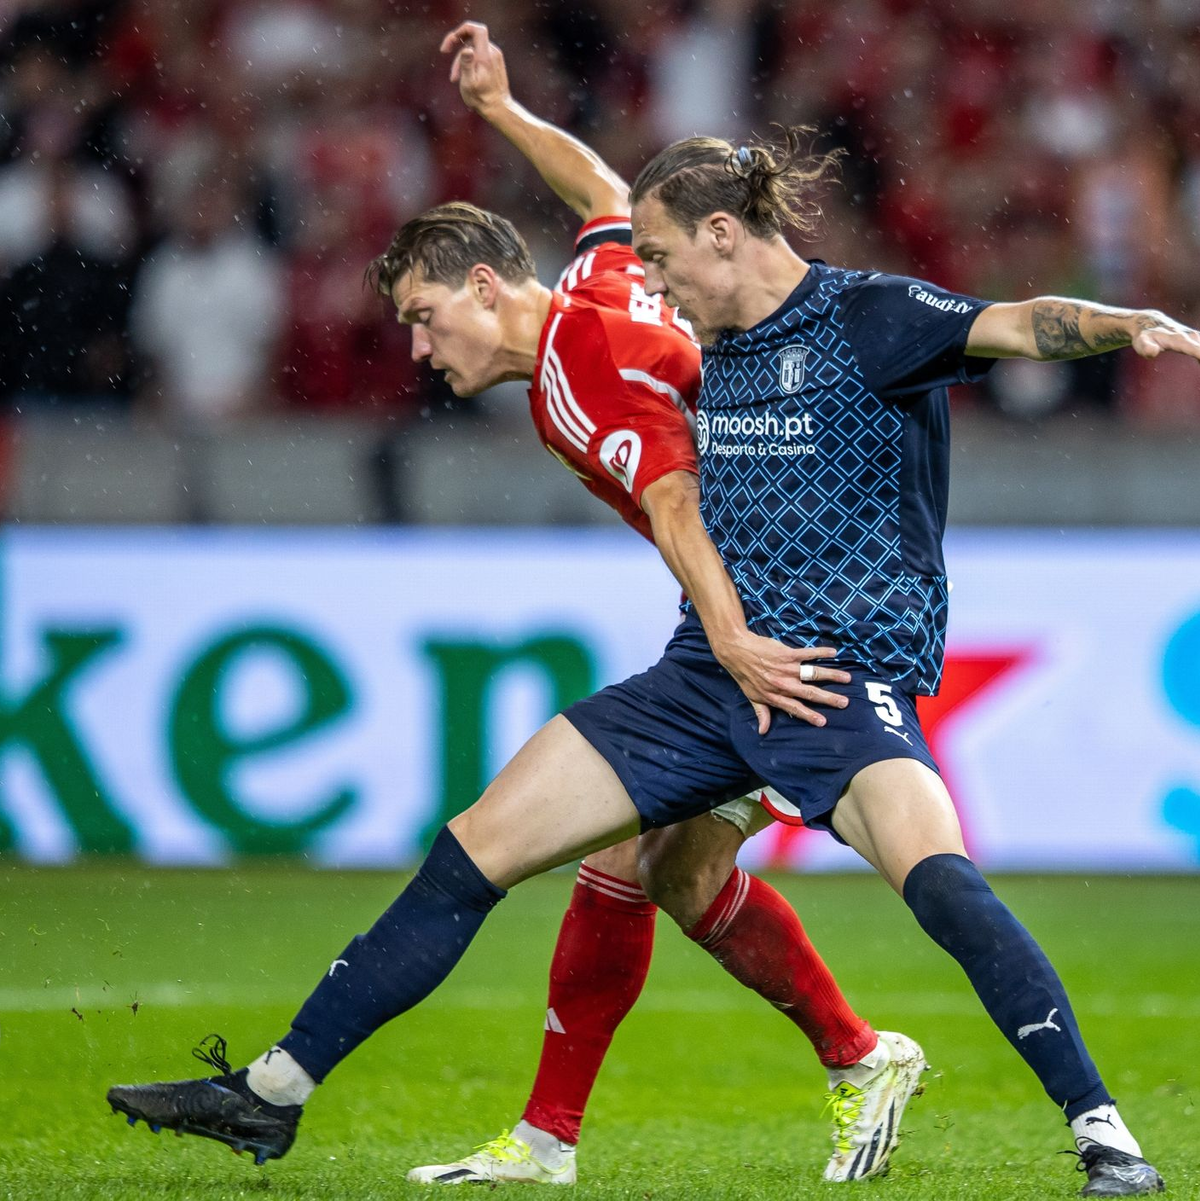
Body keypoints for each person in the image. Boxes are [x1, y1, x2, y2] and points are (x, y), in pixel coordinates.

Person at [106, 53, 1198, 1201]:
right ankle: (283, 1095)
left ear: (720, 235)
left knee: (933, 882)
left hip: (816, 667)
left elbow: (985, 340)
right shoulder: (631, 284)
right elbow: (600, 196)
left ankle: (1100, 1133)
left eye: (426, 321)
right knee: (507, 849)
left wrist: (1125, 324)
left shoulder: (679, 348)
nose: (420, 353)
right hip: (708, 663)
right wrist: (500, 108)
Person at [403, 24, 923, 1186]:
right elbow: (595, 184)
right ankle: (851, 1058)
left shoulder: (599, 331)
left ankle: (559, 1138)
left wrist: (732, 639)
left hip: (778, 604)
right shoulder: (607, 265)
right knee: (670, 872)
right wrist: (497, 106)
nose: (657, 258)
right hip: (753, 593)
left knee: (637, 863)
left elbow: (680, 503)